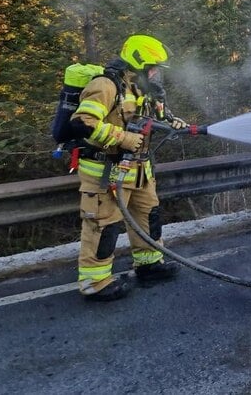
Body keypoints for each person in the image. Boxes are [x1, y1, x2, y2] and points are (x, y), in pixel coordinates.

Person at [69, 34, 188, 301]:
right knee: (104, 225)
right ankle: (95, 282)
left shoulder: (140, 88)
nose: (157, 73)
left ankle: (149, 265)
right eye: (153, 67)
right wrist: (123, 138)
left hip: (139, 170)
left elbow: (153, 118)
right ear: (139, 63)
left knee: (148, 217)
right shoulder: (106, 85)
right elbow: (82, 123)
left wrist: (173, 123)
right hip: (105, 170)